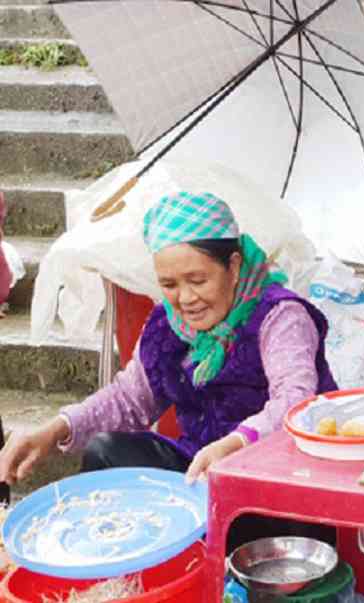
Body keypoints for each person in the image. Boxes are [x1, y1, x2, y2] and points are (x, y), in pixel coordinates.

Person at [0, 191, 337, 486]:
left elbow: (295, 401)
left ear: (233, 267)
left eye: (198, 280)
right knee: (106, 452)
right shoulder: (168, 323)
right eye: (170, 285)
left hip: (277, 474)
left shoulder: (280, 315)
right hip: (199, 466)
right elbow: (130, 398)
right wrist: (54, 429)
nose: (186, 298)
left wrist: (236, 444)